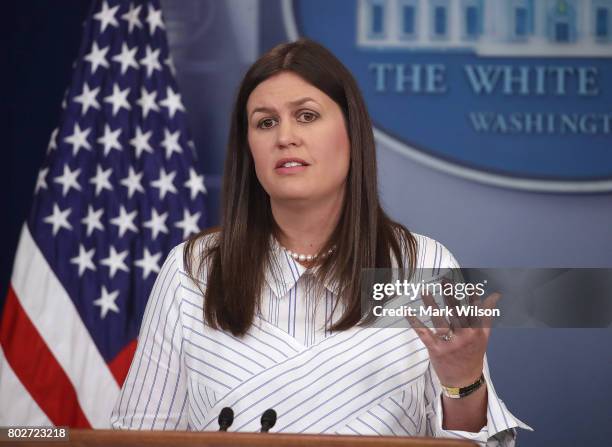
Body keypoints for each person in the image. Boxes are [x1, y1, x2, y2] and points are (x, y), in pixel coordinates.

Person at [110, 39, 530, 444]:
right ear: (248, 148)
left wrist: (461, 381)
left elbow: (468, 444)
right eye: (265, 122)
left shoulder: (420, 264)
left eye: (307, 116)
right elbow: (138, 437)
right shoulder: (195, 268)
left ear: (351, 134)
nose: (285, 136)